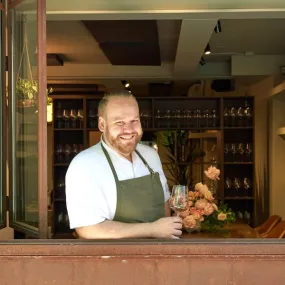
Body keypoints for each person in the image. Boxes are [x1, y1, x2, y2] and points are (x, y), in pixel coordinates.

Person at [65, 91, 182, 239]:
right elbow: (89, 229)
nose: (129, 130)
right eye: (119, 122)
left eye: (134, 121)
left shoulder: (151, 156)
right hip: (113, 259)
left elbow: (164, 209)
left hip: (159, 257)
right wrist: (152, 229)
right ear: (102, 124)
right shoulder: (84, 165)